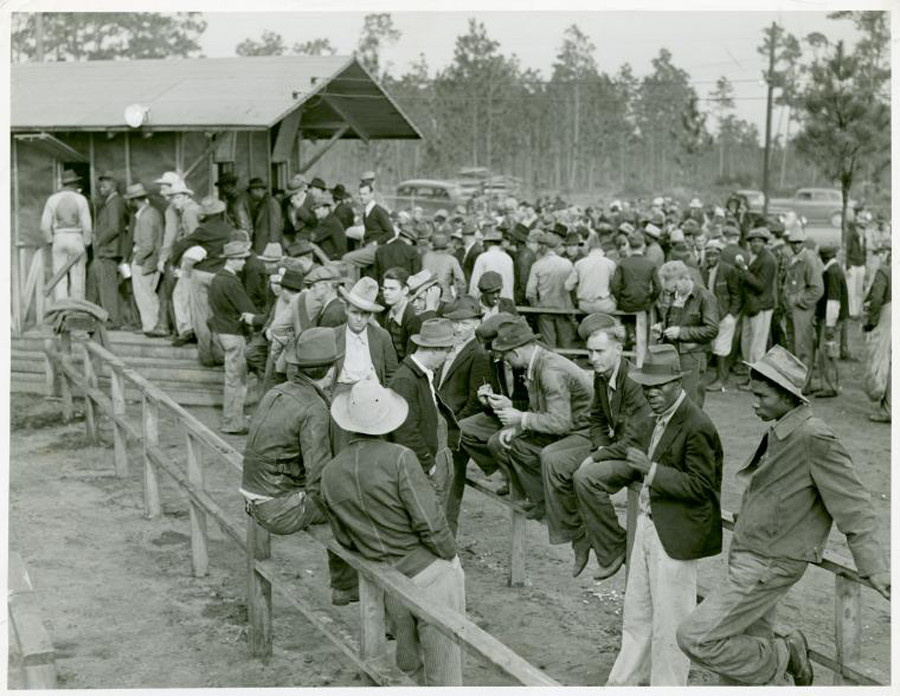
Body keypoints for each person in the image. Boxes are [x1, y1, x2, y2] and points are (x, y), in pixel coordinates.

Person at [677, 345, 890, 686]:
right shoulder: (781, 428)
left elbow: (854, 504)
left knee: (696, 637)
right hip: (752, 555)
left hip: (768, 563)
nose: (754, 403)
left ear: (788, 397)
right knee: (740, 659)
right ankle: (772, 660)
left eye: (762, 396)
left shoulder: (813, 437)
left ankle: (785, 654)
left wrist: (875, 567)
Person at [588, 344, 724, 686]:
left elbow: (703, 488)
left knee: (671, 623)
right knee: (637, 615)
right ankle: (623, 683)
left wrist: (651, 472)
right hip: (649, 526)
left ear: (677, 383)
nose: (651, 394)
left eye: (658, 386)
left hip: (676, 536)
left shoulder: (697, 425)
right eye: (646, 387)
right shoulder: (654, 418)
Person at [320, 380, 465, 686]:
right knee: (444, 667)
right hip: (428, 573)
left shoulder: (330, 472)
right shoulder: (400, 457)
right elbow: (429, 521)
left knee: (407, 662)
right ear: (386, 419)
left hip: (386, 577)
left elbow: (344, 538)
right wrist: (451, 557)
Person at [544, 313, 651, 577]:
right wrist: (600, 447)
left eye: (600, 351)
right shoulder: (603, 377)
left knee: (585, 476)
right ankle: (579, 537)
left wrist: (599, 455)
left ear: (618, 348)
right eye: (590, 352)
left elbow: (636, 440)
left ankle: (614, 546)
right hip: (617, 447)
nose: (593, 358)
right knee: (553, 459)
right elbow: (597, 419)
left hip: (639, 455)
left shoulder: (636, 382)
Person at [459, 320, 593, 519]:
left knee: (537, 452)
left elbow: (560, 422)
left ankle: (562, 506)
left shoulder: (550, 370)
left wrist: (521, 418)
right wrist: (517, 427)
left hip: (581, 432)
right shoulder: (535, 364)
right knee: (501, 441)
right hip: (563, 428)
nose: (505, 362)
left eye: (505, 357)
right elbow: (539, 408)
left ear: (516, 353)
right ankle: (540, 498)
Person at [241, 327, 339, 534]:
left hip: (253, 496)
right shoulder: (315, 407)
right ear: (330, 372)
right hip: (280, 511)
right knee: (354, 505)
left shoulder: (277, 391)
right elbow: (318, 474)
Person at [437, 296, 497, 534]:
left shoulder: (479, 353)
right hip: (440, 426)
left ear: (476, 323)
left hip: (457, 431)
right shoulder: (450, 346)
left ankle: (447, 543)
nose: (458, 328)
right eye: (455, 322)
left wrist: (455, 428)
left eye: (464, 323)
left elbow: (476, 402)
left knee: (450, 491)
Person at [388, 318, 459, 504]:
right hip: (423, 469)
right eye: (447, 351)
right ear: (436, 349)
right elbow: (405, 431)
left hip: (435, 458)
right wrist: (429, 465)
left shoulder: (423, 374)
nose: (448, 357)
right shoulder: (405, 380)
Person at [208, 239, 265, 434]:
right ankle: (232, 422)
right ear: (231, 260)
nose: (243, 262)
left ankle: (232, 418)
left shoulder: (217, 278)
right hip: (234, 334)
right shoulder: (231, 282)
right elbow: (247, 308)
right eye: (240, 259)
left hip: (222, 332)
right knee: (237, 380)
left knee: (232, 378)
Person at [655, 260, 718, 408]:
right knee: (674, 402)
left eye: (675, 286)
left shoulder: (705, 297)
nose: (673, 291)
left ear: (685, 278)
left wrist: (680, 332)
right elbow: (675, 323)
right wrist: (662, 329)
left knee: (691, 404)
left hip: (693, 356)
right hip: (673, 356)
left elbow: (712, 330)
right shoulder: (676, 296)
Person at [156, 179, 202, 343]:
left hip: (191, 257)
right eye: (173, 197)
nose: (173, 201)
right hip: (190, 256)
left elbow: (194, 238)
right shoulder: (190, 209)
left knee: (181, 294)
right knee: (185, 295)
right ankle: (189, 330)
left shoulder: (189, 212)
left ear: (184, 196)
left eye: (176, 197)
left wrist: (183, 263)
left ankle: (187, 331)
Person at [40, 169, 93, 301]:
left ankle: (61, 310)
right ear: (75, 183)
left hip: (59, 239)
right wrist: (86, 243)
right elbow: (87, 226)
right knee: (78, 277)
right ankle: (77, 311)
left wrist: (51, 240)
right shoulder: (81, 200)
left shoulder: (52, 199)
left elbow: (44, 226)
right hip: (76, 239)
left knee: (59, 277)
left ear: (63, 183)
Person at [782, 228, 824, 390]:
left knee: (803, 346)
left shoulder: (809, 260)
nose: (796, 246)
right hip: (791, 310)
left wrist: (799, 300)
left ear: (804, 243)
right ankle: (795, 382)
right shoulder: (793, 259)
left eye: (799, 242)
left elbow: (817, 289)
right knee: (792, 345)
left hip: (803, 310)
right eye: (793, 243)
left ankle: (804, 385)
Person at [734, 227, 777, 378]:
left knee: (757, 346)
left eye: (759, 241)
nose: (756, 244)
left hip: (761, 306)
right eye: (753, 241)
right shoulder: (756, 257)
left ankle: (756, 379)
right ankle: (751, 376)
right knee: (748, 343)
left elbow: (760, 285)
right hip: (752, 306)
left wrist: (744, 270)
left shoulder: (767, 259)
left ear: (765, 243)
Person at [122, 183, 165, 336]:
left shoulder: (145, 217)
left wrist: (137, 260)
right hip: (152, 260)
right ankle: (152, 325)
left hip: (145, 261)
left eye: (130, 200)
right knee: (149, 294)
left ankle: (150, 326)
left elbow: (147, 245)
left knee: (144, 295)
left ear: (133, 201)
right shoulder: (152, 212)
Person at [702, 240, 742, 392]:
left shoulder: (728, 270)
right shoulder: (705, 270)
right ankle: (719, 378)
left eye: (714, 255)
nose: (710, 258)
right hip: (712, 315)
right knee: (715, 346)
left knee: (721, 348)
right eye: (708, 255)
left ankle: (721, 380)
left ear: (719, 255)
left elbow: (736, 294)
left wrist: (732, 314)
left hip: (725, 315)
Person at [610, 230, 662, 349]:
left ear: (629, 245)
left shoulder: (622, 263)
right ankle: (642, 350)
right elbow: (658, 287)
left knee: (625, 321)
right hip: (644, 304)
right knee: (645, 326)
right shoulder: (650, 264)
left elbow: (615, 287)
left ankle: (629, 337)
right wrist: (650, 299)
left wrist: (620, 298)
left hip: (626, 304)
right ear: (643, 245)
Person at [525, 232, 577, 348]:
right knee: (566, 346)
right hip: (564, 309)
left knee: (549, 347)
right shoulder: (567, 263)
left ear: (543, 247)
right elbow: (573, 288)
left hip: (545, 310)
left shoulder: (537, 265)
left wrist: (536, 308)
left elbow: (530, 293)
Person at [810, 246, 847, 398]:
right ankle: (831, 384)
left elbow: (833, 301)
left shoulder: (830, 272)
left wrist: (830, 324)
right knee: (829, 352)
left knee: (827, 352)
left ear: (823, 258)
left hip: (830, 319)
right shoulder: (836, 269)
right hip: (834, 318)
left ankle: (830, 386)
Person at [90, 171, 125, 326]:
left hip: (109, 251)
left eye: (103, 186)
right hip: (108, 251)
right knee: (106, 285)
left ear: (113, 186)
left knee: (108, 287)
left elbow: (114, 228)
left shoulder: (114, 202)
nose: (100, 189)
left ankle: (113, 320)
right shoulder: (113, 202)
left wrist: (98, 241)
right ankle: (110, 318)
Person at [863, 242, 891, 422]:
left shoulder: (885, 271)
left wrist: (871, 323)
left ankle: (888, 409)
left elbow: (876, 298)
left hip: (888, 316)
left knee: (883, 361)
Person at [341, 181, 393, 277]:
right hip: (369, 246)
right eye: (360, 194)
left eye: (365, 194)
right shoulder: (367, 211)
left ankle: (350, 289)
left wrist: (376, 242)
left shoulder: (378, 211)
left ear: (372, 194)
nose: (362, 197)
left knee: (347, 258)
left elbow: (391, 232)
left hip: (377, 249)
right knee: (354, 260)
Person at [566, 233, 617, 314]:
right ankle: (617, 325)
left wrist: (580, 286)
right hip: (604, 304)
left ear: (588, 248)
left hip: (584, 305)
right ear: (602, 249)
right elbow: (615, 285)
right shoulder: (610, 263)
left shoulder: (579, 263)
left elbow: (568, 286)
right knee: (617, 312)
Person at [382, 267, 423, 361]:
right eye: (384, 288)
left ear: (405, 290)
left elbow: (413, 356)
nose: (386, 293)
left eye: (392, 289)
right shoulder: (389, 314)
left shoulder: (413, 316)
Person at [469, 229, 514, 300]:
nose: (483, 244)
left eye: (484, 242)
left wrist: (472, 301)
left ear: (489, 242)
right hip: (507, 300)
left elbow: (475, 285)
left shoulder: (482, 257)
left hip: (489, 301)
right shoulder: (508, 258)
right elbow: (510, 283)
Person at [421, 232, 466, 303]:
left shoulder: (426, 257)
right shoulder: (451, 259)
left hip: (427, 297)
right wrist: (460, 298)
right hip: (445, 298)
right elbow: (461, 281)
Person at [246, 177, 283, 255]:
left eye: (251, 192)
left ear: (258, 190)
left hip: (267, 248)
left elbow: (275, 228)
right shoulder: (262, 204)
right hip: (262, 247)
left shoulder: (272, 203)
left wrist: (273, 248)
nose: (250, 195)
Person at [306, 264, 347, 328]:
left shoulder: (332, 313)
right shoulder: (336, 307)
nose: (311, 290)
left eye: (314, 286)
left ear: (326, 286)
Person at [308, 195, 347, 261]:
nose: (315, 211)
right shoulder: (331, 218)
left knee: (311, 245)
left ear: (326, 208)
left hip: (335, 259)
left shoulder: (329, 222)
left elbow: (313, 237)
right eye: (315, 209)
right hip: (337, 255)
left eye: (318, 208)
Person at [845, 219, 867, 319]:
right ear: (856, 227)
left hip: (861, 265)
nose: (862, 229)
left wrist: (865, 265)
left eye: (864, 227)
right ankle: (852, 312)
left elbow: (865, 253)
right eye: (861, 227)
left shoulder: (864, 238)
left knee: (859, 290)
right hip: (852, 265)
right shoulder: (851, 236)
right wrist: (848, 266)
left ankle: (858, 311)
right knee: (851, 290)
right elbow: (847, 252)